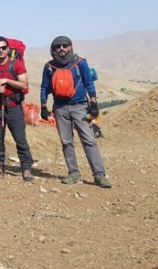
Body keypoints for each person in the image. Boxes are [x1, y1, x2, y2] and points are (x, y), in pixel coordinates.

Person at [40, 36, 111, 188]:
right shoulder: (49, 67)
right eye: (58, 46)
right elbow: (44, 88)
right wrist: (43, 106)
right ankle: (73, 173)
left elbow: (89, 84)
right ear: (53, 49)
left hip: (80, 107)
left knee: (89, 140)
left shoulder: (80, 63)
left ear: (70, 47)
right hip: (60, 108)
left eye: (65, 46)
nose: (61, 49)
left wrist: (93, 104)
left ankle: (99, 175)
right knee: (66, 142)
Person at [0, 36, 34, 181]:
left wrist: (7, 81)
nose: (1, 51)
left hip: (14, 108)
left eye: (3, 48)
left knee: (20, 139)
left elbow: (23, 84)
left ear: (8, 49)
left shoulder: (16, 65)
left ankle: (26, 168)